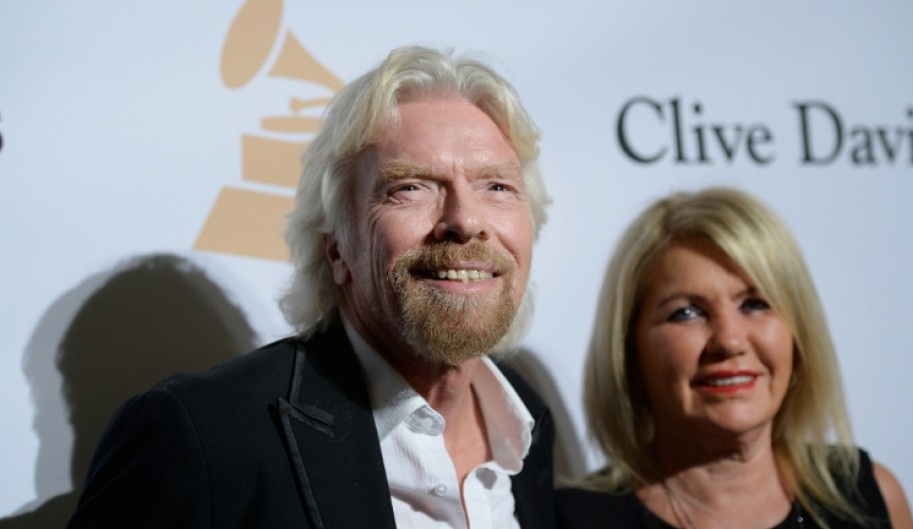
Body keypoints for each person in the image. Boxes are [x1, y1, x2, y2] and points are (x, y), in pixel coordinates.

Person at [66, 45, 555, 529]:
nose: (465, 220)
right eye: (411, 187)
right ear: (336, 247)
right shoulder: (202, 439)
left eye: (497, 187)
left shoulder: (526, 422)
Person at [556, 187, 913, 529]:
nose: (729, 340)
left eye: (755, 304)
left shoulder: (868, 497)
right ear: (630, 350)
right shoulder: (570, 520)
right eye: (687, 313)